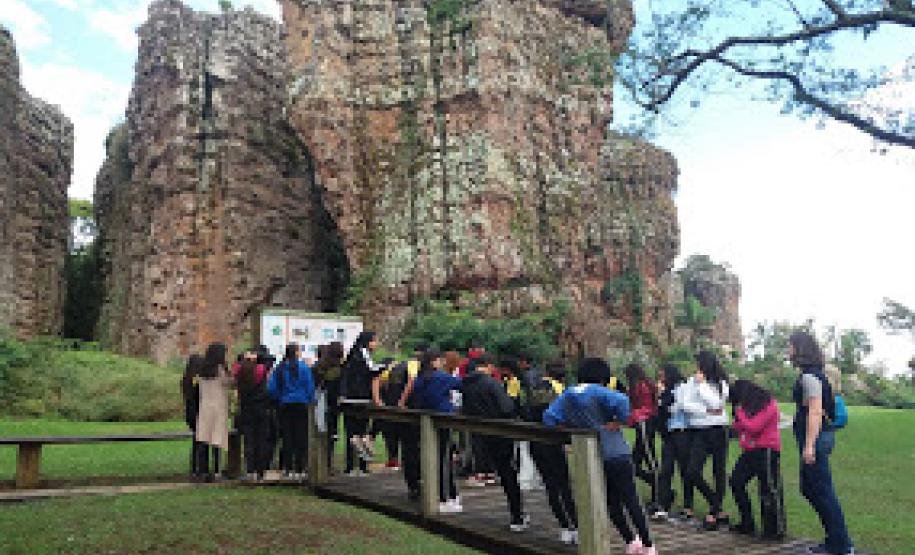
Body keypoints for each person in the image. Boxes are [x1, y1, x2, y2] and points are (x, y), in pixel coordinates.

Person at [543, 358, 657, 555]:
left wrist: (569, 431)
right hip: (616, 452)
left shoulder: (568, 395)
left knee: (610, 502)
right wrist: (619, 420)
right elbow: (623, 402)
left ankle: (630, 540)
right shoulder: (600, 392)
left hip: (591, 457)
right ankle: (648, 545)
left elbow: (549, 418)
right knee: (631, 500)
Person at [789, 331, 854, 555]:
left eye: (791, 346)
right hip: (817, 438)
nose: (788, 350)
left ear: (800, 349)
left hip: (815, 439)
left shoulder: (810, 377)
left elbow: (815, 412)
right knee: (810, 489)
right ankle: (835, 540)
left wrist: (809, 446)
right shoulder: (814, 375)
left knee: (822, 491)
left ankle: (841, 545)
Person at [460, 353, 529, 530]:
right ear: (489, 366)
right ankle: (517, 515)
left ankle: (516, 514)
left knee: (501, 470)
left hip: (480, 435)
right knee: (508, 474)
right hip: (500, 433)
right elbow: (507, 408)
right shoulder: (491, 384)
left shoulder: (466, 384)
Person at [401, 347, 463, 512]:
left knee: (435, 458)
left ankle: (445, 494)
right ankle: (444, 498)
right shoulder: (441, 377)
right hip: (443, 420)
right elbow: (460, 385)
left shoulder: (420, 378)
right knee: (444, 460)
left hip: (426, 422)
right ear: (434, 361)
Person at [524, 359, 578, 544]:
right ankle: (575, 527)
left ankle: (564, 526)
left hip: (535, 441)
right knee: (563, 485)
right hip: (552, 442)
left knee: (550, 486)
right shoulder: (560, 391)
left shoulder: (533, 387)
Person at [729, 379, 786, 540]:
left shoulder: (769, 405)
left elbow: (754, 427)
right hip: (750, 451)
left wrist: (740, 413)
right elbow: (741, 427)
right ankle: (747, 522)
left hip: (766, 450)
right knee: (736, 481)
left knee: (769, 489)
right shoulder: (748, 407)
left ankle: (775, 529)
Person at [682, 350, 731, 531]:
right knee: (692, 471)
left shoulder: (721, 383)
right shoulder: (690, 382)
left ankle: (714, 511)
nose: (696, 368)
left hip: (718, 430)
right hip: (700, 431)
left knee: (719, 471)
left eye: (699, 364)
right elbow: (685, 405)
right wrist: (705, 411)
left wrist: (702, 387)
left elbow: (717, 404)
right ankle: (715, 502)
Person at [267, 343, 316, 479]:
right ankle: (300, 467)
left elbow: (272, 388)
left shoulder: (280, 369)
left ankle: (287, 467)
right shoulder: (304, 368)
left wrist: (280, 397)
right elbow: (310, 386)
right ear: (296, 353)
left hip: (285, 405)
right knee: (301, 436)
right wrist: (309, 399)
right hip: (301, 404)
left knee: (287, 437)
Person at [654, 363, 692, 521]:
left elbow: (673, 406)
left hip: (682, 432)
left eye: (663, 375)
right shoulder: (666, 391)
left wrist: (663, 398)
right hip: (670, 433)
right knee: (666, 469)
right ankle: (663, 504)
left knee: (684, 469)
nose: (661, 379)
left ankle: (688, 506)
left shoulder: (681, 388)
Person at [341, 331, 381, 475]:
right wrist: (385, 366)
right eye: (374, 341)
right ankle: (362, 466)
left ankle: (350, 466)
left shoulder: (352, 356)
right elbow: (373, 371)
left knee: (351, 434)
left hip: (348, 399)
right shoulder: (363, 354)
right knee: (362, 433)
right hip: (360, 398)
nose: (376, 344)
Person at [625, 363, 660, 511]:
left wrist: (634, 416)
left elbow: (647, 407)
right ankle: (655, 486)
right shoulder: (643, 385)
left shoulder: (642, 387)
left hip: (644, 422)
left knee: (650, 461)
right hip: (642, 423)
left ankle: (658, 497)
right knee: (633, 464)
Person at [196, 343, 233, 481]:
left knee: (204, 438)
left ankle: (202, 470)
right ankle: (217, 471)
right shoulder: (220, 369)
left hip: (205, 406)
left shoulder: (202, 369)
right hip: (218, 407)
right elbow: (229, 382)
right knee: (217, 439)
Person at [234, 350, 271, 480]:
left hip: (246, 409)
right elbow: (269, 361)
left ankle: (250, 469)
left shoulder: (240, 371)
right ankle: (261, 470)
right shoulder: (261, 370)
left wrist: (245, 358)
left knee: (249, 440)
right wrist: (258, 356)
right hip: (260, 408)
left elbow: (236, 365)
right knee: (261, 439)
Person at [312, 341, 344, 471]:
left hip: (319, 402)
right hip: (333, 404)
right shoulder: (340, 369)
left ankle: (317, 463)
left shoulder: (318, 366)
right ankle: (328, 464)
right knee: (331, 433)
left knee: (318, 432)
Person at [377, 358, 407, 469]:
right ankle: (400, 460)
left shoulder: (384, 375)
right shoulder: (403, 372)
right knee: (401, 435)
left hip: (387, 407)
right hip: (399, 407)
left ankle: (392, 459)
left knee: (390, 436)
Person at [181, 354, 206, 480]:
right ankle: (199, 469)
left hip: (190, 413)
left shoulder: (185, 379)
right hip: (198, 412)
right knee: (200, 442)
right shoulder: (197, 380)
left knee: (197, 441)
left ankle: (195, 468)